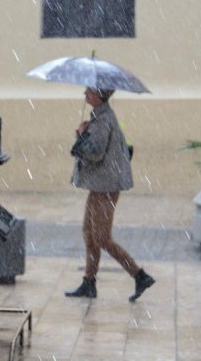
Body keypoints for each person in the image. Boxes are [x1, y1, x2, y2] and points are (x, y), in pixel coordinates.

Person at [66, 87, 155, 301]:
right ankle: (89, 282)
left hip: (106, 186)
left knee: (102, 238)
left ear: (99, 95)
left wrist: (80, 137)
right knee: (89, 233)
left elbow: (95, 153)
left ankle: (139, 275)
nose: (84, 94)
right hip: (99, 185)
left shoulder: (103, 120)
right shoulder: (100, 117)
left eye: (89, 91)